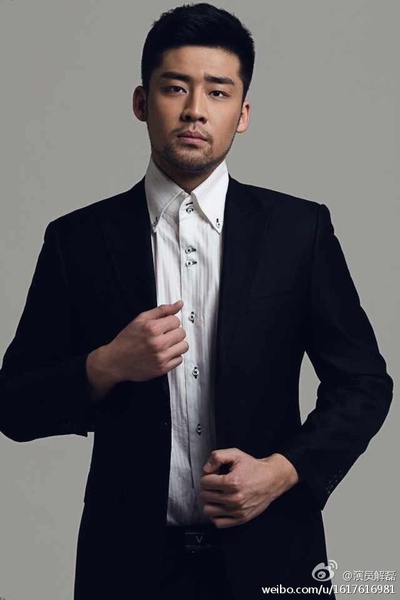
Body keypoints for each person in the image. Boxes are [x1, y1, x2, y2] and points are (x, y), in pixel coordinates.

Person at [0, 3, 393, 599]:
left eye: (218, 91)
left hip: (274, 558)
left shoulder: (299, 232)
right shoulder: (76, 241)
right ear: (141, 102)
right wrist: (106, 365)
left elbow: (364, 383)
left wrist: (283, 470)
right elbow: (14, 405)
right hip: (126, 569)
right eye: (175, 87)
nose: (195, 109)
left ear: (243, 114)